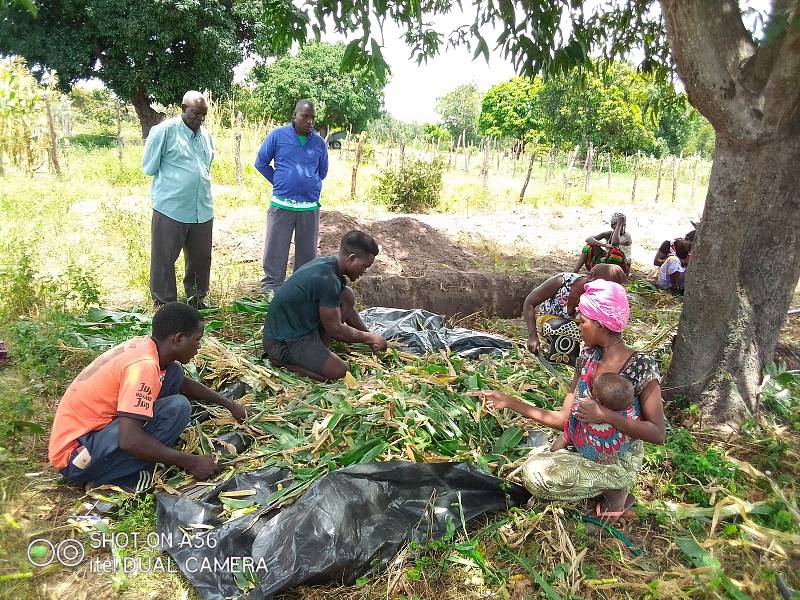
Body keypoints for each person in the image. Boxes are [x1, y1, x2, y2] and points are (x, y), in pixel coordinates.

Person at [475, 279, 665, 523]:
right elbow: (564, 419)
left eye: (583, 320)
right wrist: (510, 401)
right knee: (527, 466)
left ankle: (616, 490)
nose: (578, 324)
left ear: (601, 324)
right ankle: (597, 487)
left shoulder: (641, 367)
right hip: (584, 447)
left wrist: (606, 415)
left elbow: (657, 434)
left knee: (537, 477)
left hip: (618, 459)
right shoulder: (586, 358)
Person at [49, 302, 246, 492]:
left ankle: (118, 465)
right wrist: (191, 461)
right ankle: (111, 479)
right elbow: (130, 440)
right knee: (177, 408)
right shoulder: (143, 367)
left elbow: (182, 382)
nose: (199, 346)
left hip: (88, 438)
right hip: (75, 458)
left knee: (174, 373)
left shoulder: (146, 347)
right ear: (178, 339)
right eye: (197, 339)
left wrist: (230, 405)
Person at [262, 230, 387, 381]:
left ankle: (317, 350)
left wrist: (369, 336)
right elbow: (334, 330)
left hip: (300, 327)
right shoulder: (327, 280)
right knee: (340, 372)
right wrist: (369, 338)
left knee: (346, 295)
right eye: (364, 266)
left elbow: (347, 307)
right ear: (351, 258)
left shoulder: (330, 266)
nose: (364, 271)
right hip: (284, 342)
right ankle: (283, 363)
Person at [143, 91, 216, 309]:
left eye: (204, 115)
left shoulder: (205, 135)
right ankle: (165, 304)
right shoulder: (164, 131)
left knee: (201, 259)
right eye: (195, 114)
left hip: (201, 208)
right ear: (183, 108)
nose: (200, 119)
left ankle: (197, 299)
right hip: (171, 208)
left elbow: (206, 165)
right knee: (164, 259)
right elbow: (149, 167)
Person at [255, 99, 329, 294]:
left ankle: (299, 291)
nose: (309, 121)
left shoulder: (319, 143)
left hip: (309, 207)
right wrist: (280, 182)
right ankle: (271, 291)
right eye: (305, 116)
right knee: (275, 251)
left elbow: (322, 172)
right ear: (294, 116)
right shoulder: (278, 136)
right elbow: (261, 162)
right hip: (282, 204)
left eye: (313, 118)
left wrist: (307, 185)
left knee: (307, 256)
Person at [523, 263, 627, 367]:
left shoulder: (602, 298)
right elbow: (529, 302)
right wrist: (532, 336)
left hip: (580, 328)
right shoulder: (562, 281)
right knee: (568, 328)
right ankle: (560, 364)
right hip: (549, 320)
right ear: (591, 276)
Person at [549, 372, 636, 465]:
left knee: (567, 433)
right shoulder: (628, 418)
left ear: (598, 400)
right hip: (613, 460)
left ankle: (551, 454)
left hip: (587, 455)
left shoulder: (586, 410)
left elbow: (568, 419)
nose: (589, 390)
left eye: (592, 389)